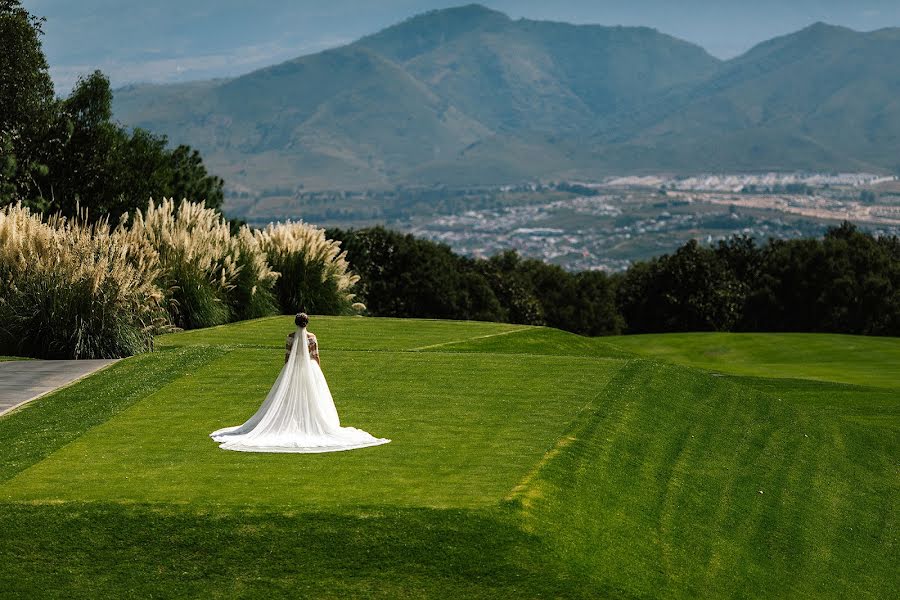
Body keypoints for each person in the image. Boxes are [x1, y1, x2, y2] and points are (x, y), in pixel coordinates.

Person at [210, 313, 390, 453]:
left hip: (293, 368)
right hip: (310, 368)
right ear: (307, 323)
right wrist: (317, 369)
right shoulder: (312, 337)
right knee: (313, 396)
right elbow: (316, 355)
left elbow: (287, 356)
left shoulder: (290, 337)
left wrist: (287, 372)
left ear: (296, 323)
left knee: (289, 397)